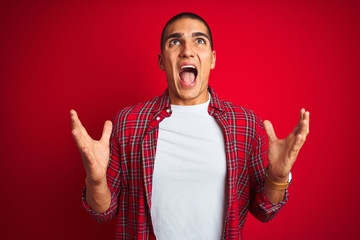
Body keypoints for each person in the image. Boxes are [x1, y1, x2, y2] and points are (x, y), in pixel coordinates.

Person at [70, 12, 310, 240]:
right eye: (175, 42)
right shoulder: (129, 122)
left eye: (199, 40)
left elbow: (264, 210)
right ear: (162, 60)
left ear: (212, 59)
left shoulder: (245, 124)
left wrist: (278, 177)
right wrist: (96, 180)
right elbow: (103, 211)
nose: (187, 51)